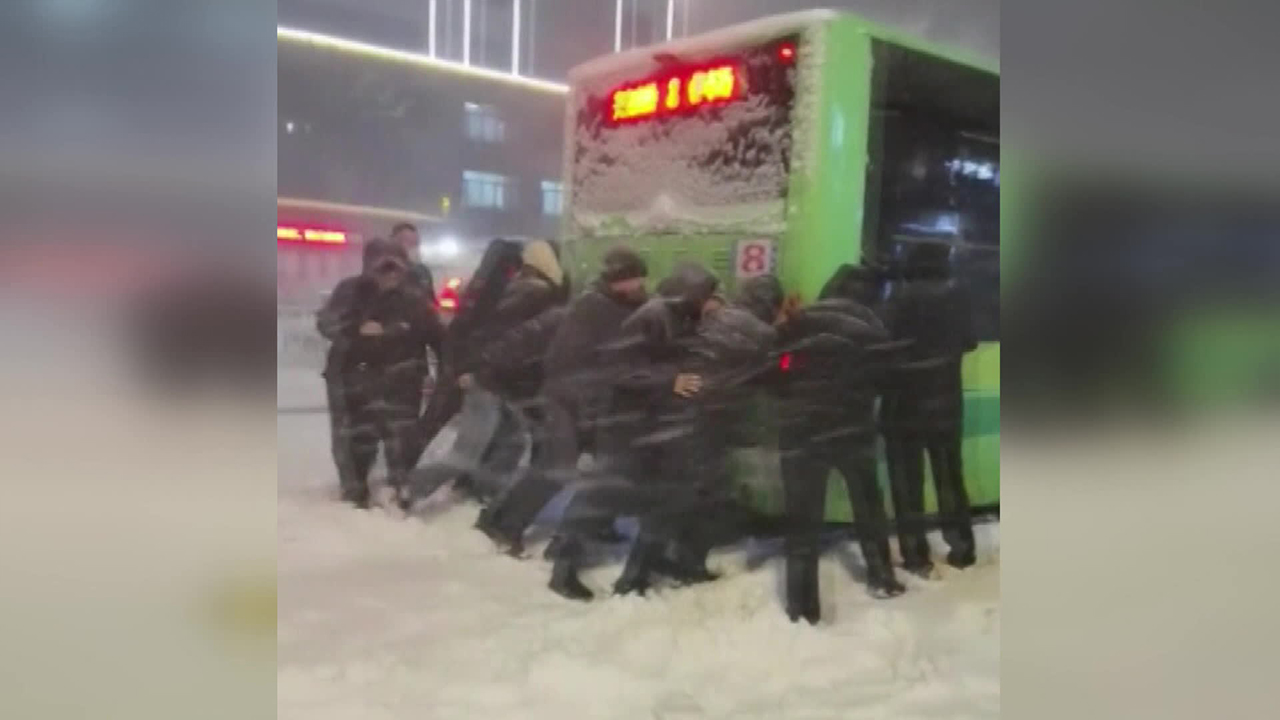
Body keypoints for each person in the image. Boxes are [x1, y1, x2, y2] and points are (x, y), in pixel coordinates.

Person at [556, 262, 720, 600]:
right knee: (601, 496)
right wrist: (670, 381)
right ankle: (563, 567)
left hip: (646, 425)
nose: (709, 301)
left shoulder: (676, 316)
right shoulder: (654, 316)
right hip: (623, 426)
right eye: (706, 294)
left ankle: (641, 569)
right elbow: (619, 370)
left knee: (662, 496)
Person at [477, 247, 650, 564]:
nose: (637, 285)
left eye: (638, 279)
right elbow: (571, 361)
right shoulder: (593, 308)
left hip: (592, 401)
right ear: (616, 281)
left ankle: (595, 523)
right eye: (631, 280)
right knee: (557, 468)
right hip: (567, 400)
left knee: (610, 467)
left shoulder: (624, 305)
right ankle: (504, 525)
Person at [775, 277, 907, 624]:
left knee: (802, 521)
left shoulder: (798, 324)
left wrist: (799, 387)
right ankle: (882, 577)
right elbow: (889, 382)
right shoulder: (872, 329)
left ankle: (802, 606)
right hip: (852, 430)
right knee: (868, 507)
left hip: (801, 432)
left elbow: (779, 371)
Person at [407, 240, 569, 504]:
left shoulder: (515, 288)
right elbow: (503, 339)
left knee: (509, 441)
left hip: (496, 380)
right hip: (489, 380)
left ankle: (481, 491)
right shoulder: (533, 294)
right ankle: (409, 488)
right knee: (467, 453)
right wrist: (478, 369)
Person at [316, 238, 443, 509]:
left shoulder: (414, 299)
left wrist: (448, 369)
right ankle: (355, 491)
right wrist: (355, 328)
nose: (389, 277)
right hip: (353, 378)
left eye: (395, 270)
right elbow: (326, 321)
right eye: (382, 270)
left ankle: (398, 487)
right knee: (354, 439)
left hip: (402, 380)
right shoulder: (350, 291)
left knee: (400, 437)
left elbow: (438, 337)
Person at [880, 241, 978, 575]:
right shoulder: (959, 296)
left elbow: (884, 342)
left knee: (908, 483)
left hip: (905, 405)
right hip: (947, 403)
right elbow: (970, 341)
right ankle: (962, 548)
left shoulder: (900, 297)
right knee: (950, 478)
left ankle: (916, 554)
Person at [414, 238, 525, 462]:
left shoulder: (481, 284)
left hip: (461, 360)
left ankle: (409, 466)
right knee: (454, 422)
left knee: (438, 418)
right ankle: (416, 473)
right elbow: (480, 330)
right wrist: (469, 368)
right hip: (468, 363)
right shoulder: (497, 287)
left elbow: (463, 326)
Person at [390, 222, 436, 300]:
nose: (413, 247)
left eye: (415, 243)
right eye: (408, 241)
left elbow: (430, 300)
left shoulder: (423, 272)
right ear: (393, 242)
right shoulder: (386, 270)